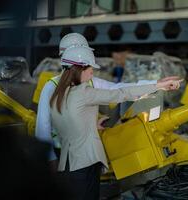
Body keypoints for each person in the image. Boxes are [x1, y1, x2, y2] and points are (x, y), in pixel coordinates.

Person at [50, 46, 182, 200]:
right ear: (79, 69)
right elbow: (121, 93)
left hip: (69, 162)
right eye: (90, 67)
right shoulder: (83, 92)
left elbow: (68, 125)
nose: (93, 71)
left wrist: (92, 125)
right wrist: (158, 86)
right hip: (85, 164)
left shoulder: (58, 93)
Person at [35, 33, 180, 166]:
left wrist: (157, 85)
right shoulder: (51, 86)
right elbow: (43, 127)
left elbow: (121, 89)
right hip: (61, 153)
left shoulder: (90, 82)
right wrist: (50, 158)